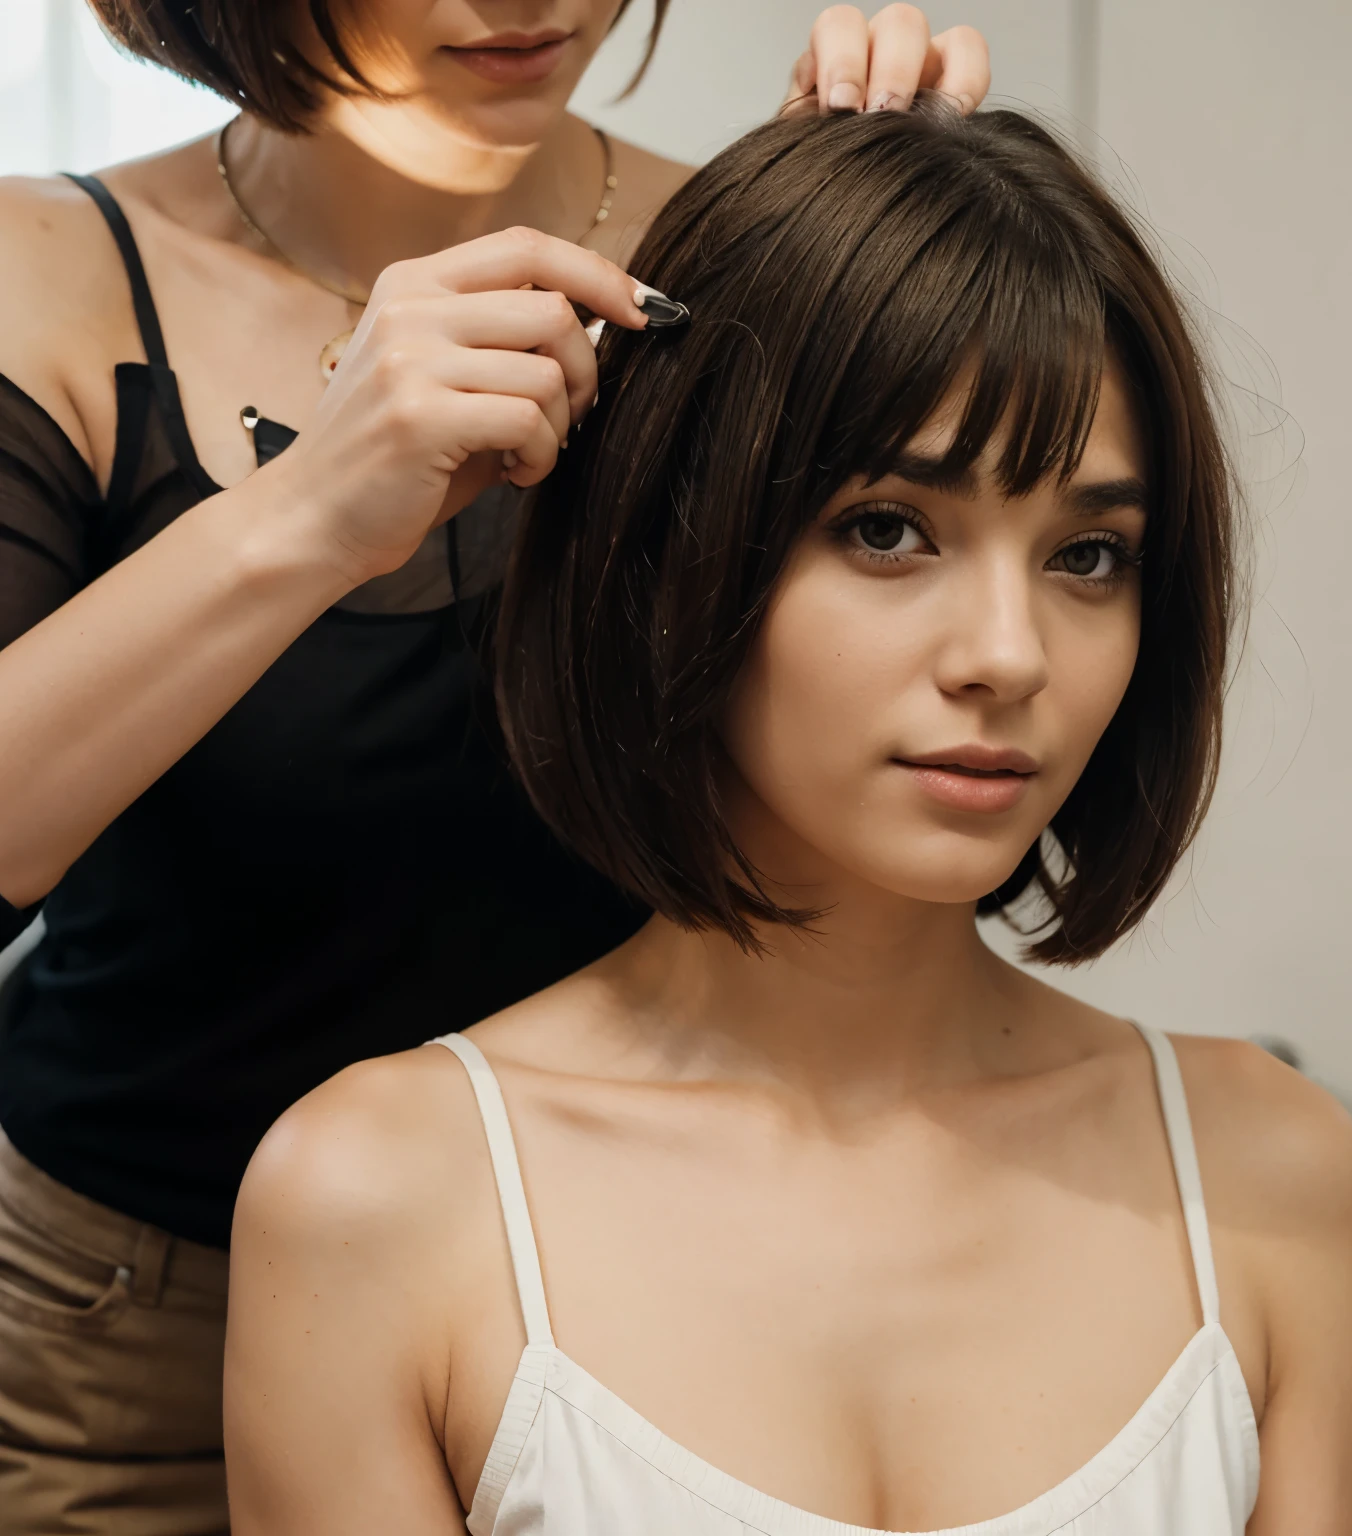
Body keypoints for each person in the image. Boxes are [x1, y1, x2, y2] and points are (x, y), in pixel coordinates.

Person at [225, 101, 1352, 1536]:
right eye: (888, 528)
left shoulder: (1271, 1172)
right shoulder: (379, 1200)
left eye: (1091, 554)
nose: (1010, 654)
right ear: (670, 548)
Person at [0, 3, 992, 1531]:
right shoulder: (48, 274)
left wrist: (889, 242)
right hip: (139, 1337)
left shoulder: (723, 271)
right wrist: (308, 515)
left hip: (640, 1296)